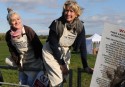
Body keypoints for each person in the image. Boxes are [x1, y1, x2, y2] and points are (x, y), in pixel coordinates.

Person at [42, 0, 93, 87]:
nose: (68, 13)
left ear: (77, 14)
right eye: (66, 10)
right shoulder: (56, 24)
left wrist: (85, 66)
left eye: (71, 11)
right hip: (50, 52)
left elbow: (83, 46)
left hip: (65, 52)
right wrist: (62, 64)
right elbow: (53, 46)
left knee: (63, 77)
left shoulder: (80, 26)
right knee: (57, 78)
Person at [5, 8, 43, 86]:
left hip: (34, 62)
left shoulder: (28, 30)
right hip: (22, 63)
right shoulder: (8, 35)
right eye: (13, 20)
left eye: (18, 19)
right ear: (9, 22)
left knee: (31, 83)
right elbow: (12, 50)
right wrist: (18, 62)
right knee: (22, 83)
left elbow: (39, 47)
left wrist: (45, 63)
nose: (17, 22)